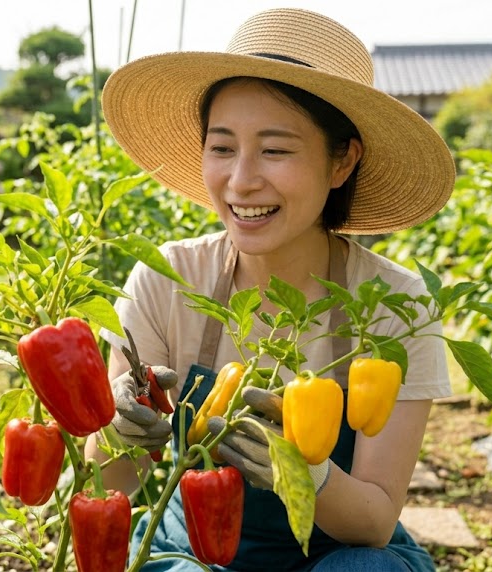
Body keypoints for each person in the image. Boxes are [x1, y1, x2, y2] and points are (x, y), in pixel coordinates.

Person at [83, 7, 456, 572]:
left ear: (342, 161)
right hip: (194, 550)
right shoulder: (166, 280)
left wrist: (309, 471)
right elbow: (113, 487)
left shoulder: (393, 306)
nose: (241, 181)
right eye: (222, 147)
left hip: (338, 553)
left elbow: (376, 520)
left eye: (276, 150)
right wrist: (117, 428)